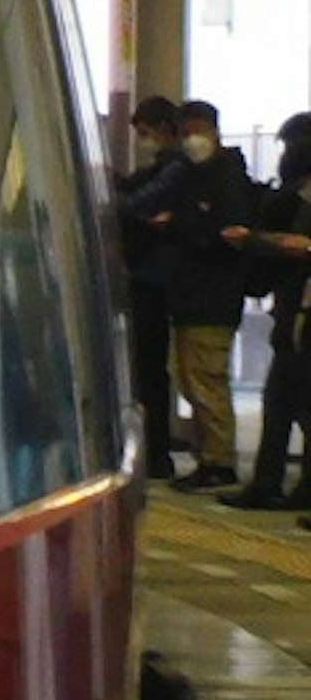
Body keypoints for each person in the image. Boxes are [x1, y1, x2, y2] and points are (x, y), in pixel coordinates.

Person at [129, 96, 256, 491]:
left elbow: (224, 233)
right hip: (191, 296)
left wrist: (178, 224)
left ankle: (220, 461)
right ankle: (209, 457)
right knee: (191, 380)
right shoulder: (198, 177)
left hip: (214, 295)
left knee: (206, 379)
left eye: (193, 132)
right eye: (184, 134)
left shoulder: (228, 178)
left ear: (212, 130)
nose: (189, 141)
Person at [222, 113, 311, 510]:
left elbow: (301, 245)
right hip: (293, 313)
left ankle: (279, 486)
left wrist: (255, 240)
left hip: (302, 316)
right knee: (279, 401)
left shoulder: (302, 196)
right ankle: (269, 484)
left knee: (294, 401)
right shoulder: (294, 195)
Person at [120, 94, 184, 479]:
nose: (142, 140)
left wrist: (114, 197)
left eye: (145, 133)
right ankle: (157, 451)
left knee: (150, 370)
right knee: (150, 370)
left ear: (162, 129)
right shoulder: (164, 167)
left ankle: (158, 452)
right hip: (152, 277)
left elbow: (138, 203)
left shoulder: (175, 169)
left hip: (153, 280)